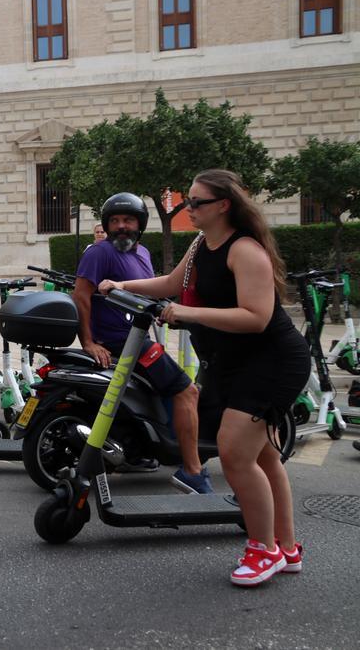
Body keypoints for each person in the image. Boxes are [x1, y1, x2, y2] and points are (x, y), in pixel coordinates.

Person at [99, 170, 309, 587]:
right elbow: (173, 284)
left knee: (235, 455)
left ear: (223, 205)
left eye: (196, 202)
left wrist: (187, 313)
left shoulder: (245, 250)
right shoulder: (200, 245)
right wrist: (121, 283)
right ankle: (285, 548)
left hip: (271, 360)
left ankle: (262, 549)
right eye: (187, 201)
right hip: (232, 361)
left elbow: (257, 317)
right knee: (264, 457)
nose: (188, 208)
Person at [75, 193, 209, 492]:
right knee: (186, 391)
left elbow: (149, 292)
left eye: (128, 220)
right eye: (115, 221)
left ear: (140, 224)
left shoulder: (142, 254)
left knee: (166, 394)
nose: (121, 226)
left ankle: (156, 448)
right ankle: (192, 471)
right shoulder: (100, 253)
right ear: (107, 226)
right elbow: (81, 295)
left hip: (139, 336)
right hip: (123, 341)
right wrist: (88, 342)